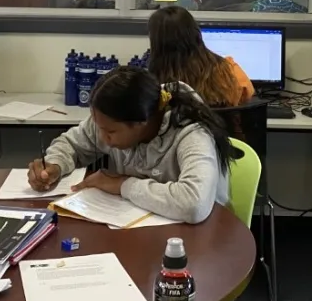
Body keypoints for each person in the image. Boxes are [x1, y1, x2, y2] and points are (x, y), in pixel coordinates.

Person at [28, 66, 234, 224]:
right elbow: (72, 143)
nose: (102, 138)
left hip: (201, 237)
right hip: (142, 225)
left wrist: (122, 185)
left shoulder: (192, 133)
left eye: (110, 132)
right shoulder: (111, 117)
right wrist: (54, 165)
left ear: (141, 122)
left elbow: (194, 204)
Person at [147, 5, 255, 107]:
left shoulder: (153, 85)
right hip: (221, 127)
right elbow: (247, 99)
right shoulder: (229, 70)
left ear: (156, 42)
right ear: (195, 32)